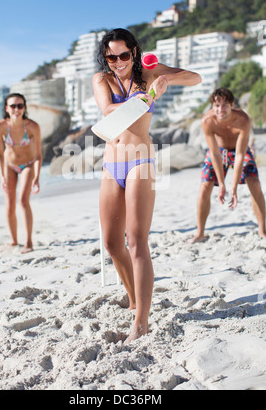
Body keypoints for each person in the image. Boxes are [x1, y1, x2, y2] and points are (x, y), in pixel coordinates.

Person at [93, 28, 201, 343]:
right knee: (113, 244)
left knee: (137, 241)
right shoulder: (103, 80)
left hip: (140, 160)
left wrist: (166, 82)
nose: (117, 62)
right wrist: (139, 99)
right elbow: (107, 110)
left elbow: (194, 78)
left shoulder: (149, 72)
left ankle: (141, 322)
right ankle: (133, 297)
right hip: (112, 164)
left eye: (123, 55)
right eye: (111, 57)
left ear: (134, 52)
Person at [191, 87, 266, 243]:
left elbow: (240, 154)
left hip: (239, 151)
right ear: (212, 107)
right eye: (216, 106)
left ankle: (262, 229)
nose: (220, 109)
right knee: (205, 186)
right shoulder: (207, 121)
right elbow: (214, 154)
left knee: (254, 183)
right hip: (218, 151)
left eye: (224, 105)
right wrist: (222, 184)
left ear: (232, 105)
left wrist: (233, 187)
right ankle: (200, 233)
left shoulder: (243, 120)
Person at [0, 93, 42, 253]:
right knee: (9, 206)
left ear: (24, 108)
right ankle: (14, 241)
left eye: (20, 105)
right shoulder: (0, 127)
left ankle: (28, 243)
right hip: (9, 166)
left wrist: (36, 176)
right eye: (13, 106)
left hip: (28, 164)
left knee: (23, 200)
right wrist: (1, 176)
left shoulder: (33, 127)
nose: (16, 109)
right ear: (7, 108)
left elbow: (38, 155)